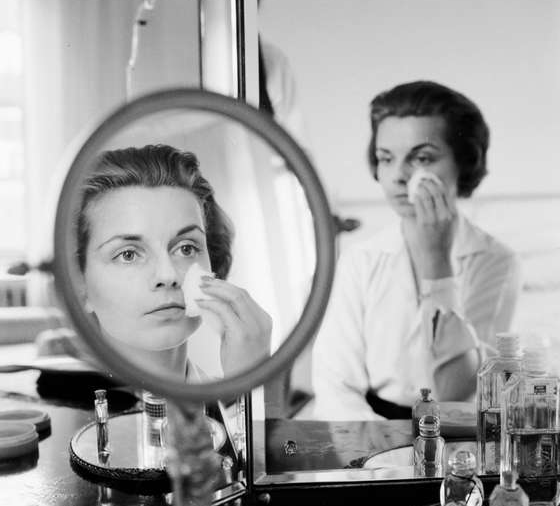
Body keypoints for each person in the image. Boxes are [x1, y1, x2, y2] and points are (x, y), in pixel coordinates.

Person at [311, 80, 521, 420]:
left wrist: (437, 263)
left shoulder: (496, 261)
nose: (397, 175)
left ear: (463, 163)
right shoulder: (361, 260)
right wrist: (384, 461)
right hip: (370, 444)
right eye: (385, 158)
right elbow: (336, 388)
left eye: (421, 157)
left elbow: (458, 391)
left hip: (456, 438)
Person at [76, 144, 272, 382]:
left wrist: (255, 387)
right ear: (80, 284)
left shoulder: (232, 405)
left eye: (186, 248)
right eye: (128, 254)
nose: (168, 275)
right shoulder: (58, 415)